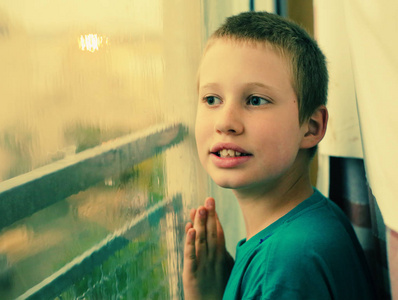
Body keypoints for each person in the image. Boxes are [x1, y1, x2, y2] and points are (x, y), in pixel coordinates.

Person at [182, 11, 376, 300]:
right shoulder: (318, 217)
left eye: (256, 100)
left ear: (311, 127)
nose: (225, 122)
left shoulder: (284, 266)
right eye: (212, 99)